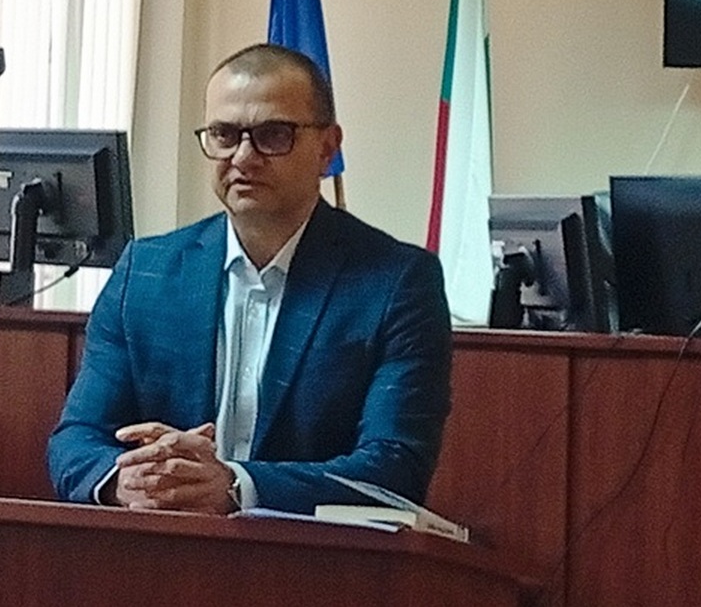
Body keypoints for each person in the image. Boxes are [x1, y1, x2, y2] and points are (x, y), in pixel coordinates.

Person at [46, 43, 452, 515]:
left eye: (273, 135)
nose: (243, 156)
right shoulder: (144, 271)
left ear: (327, 148)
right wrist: (127, 479)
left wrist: (236, 485)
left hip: (311, 556)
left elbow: (396, 467)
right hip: (159, 547)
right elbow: (76, 439)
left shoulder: (397, 282)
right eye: (224, 134)